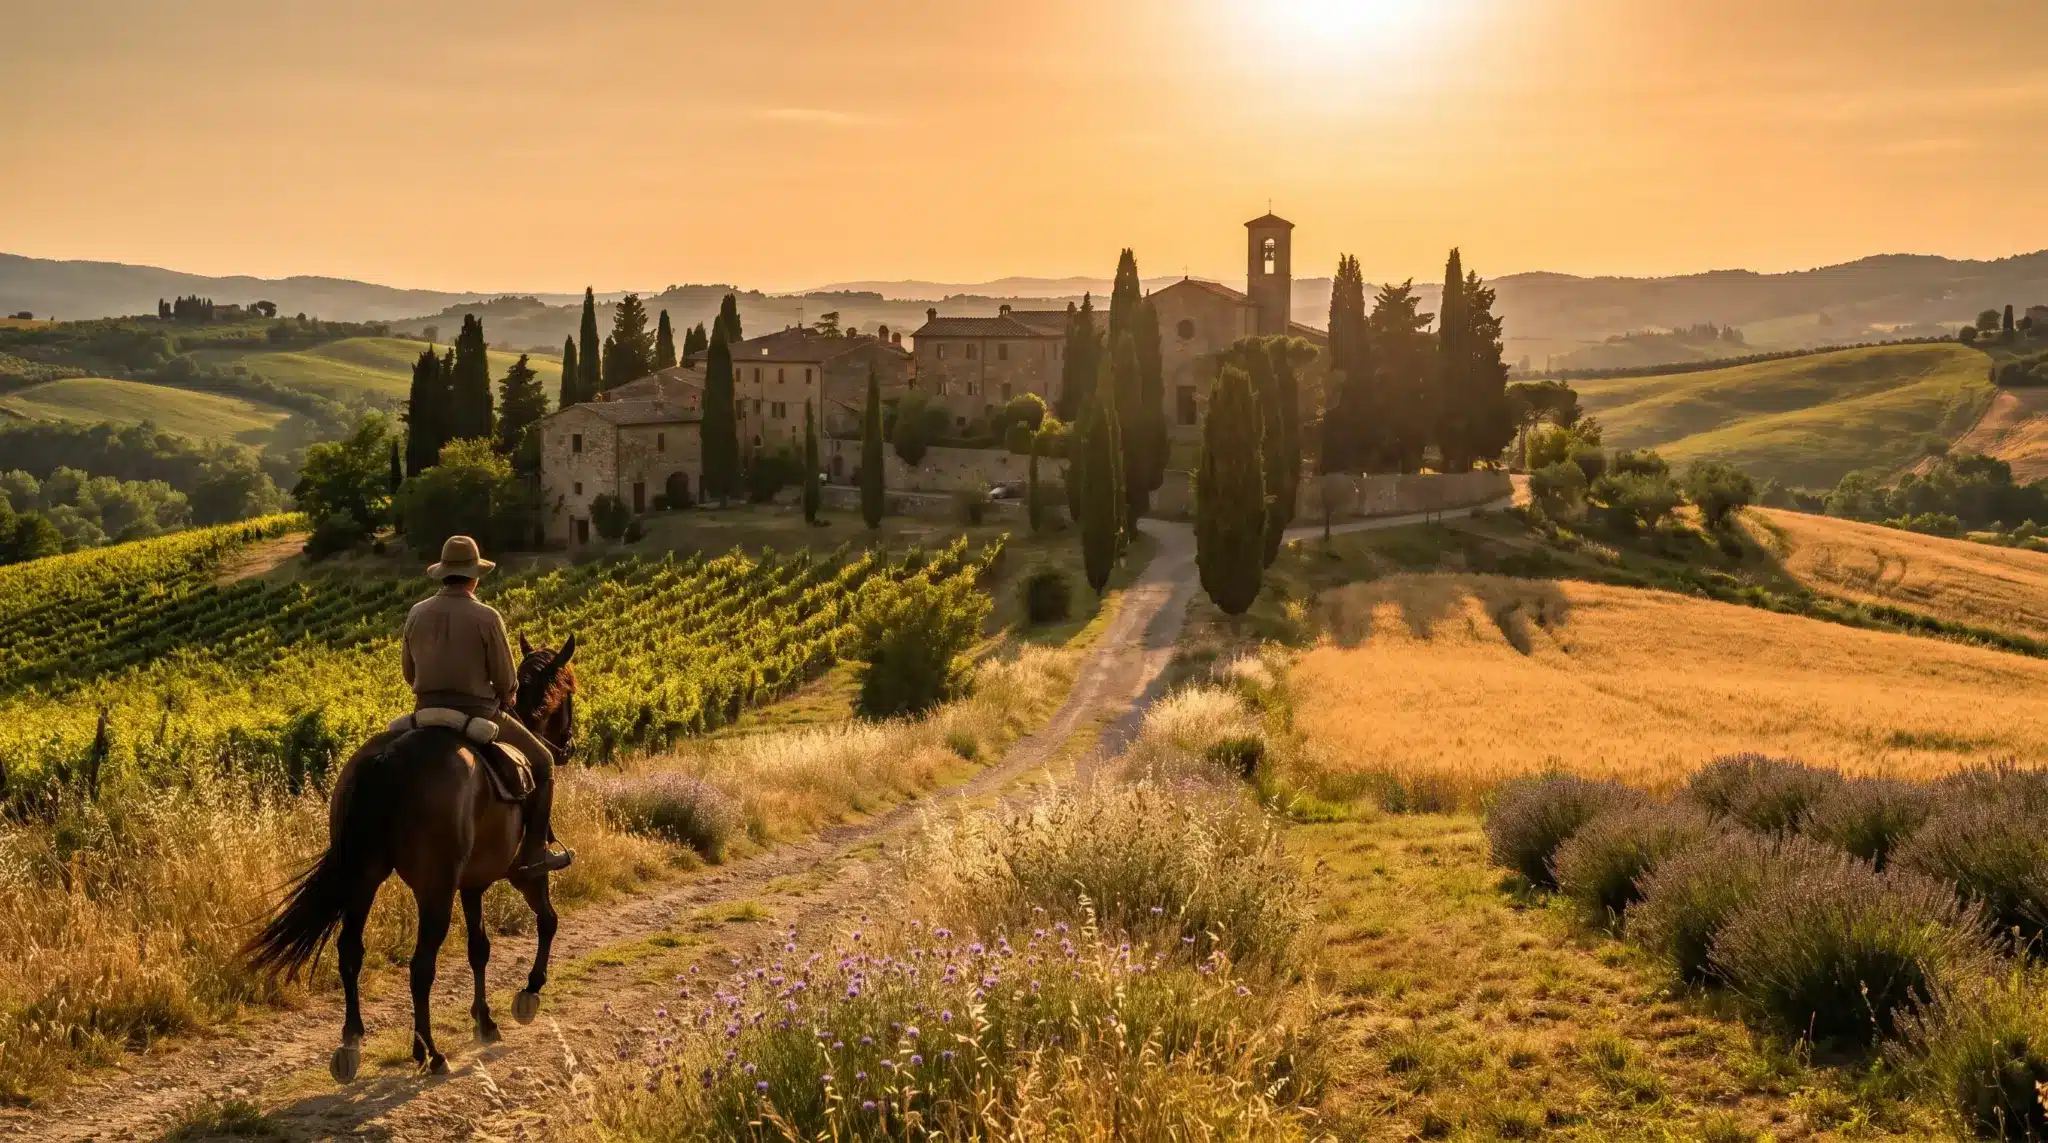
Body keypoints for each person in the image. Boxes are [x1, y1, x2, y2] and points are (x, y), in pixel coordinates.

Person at [402, 535, 573, 876]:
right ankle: (534, 852)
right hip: (477, 712)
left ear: (443, 573)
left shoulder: (416, 613)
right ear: (474, 575)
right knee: (543, 761)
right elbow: (507, 680)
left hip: (423, 712)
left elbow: (409, 673)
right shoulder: (487, 617)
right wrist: (507, 696)